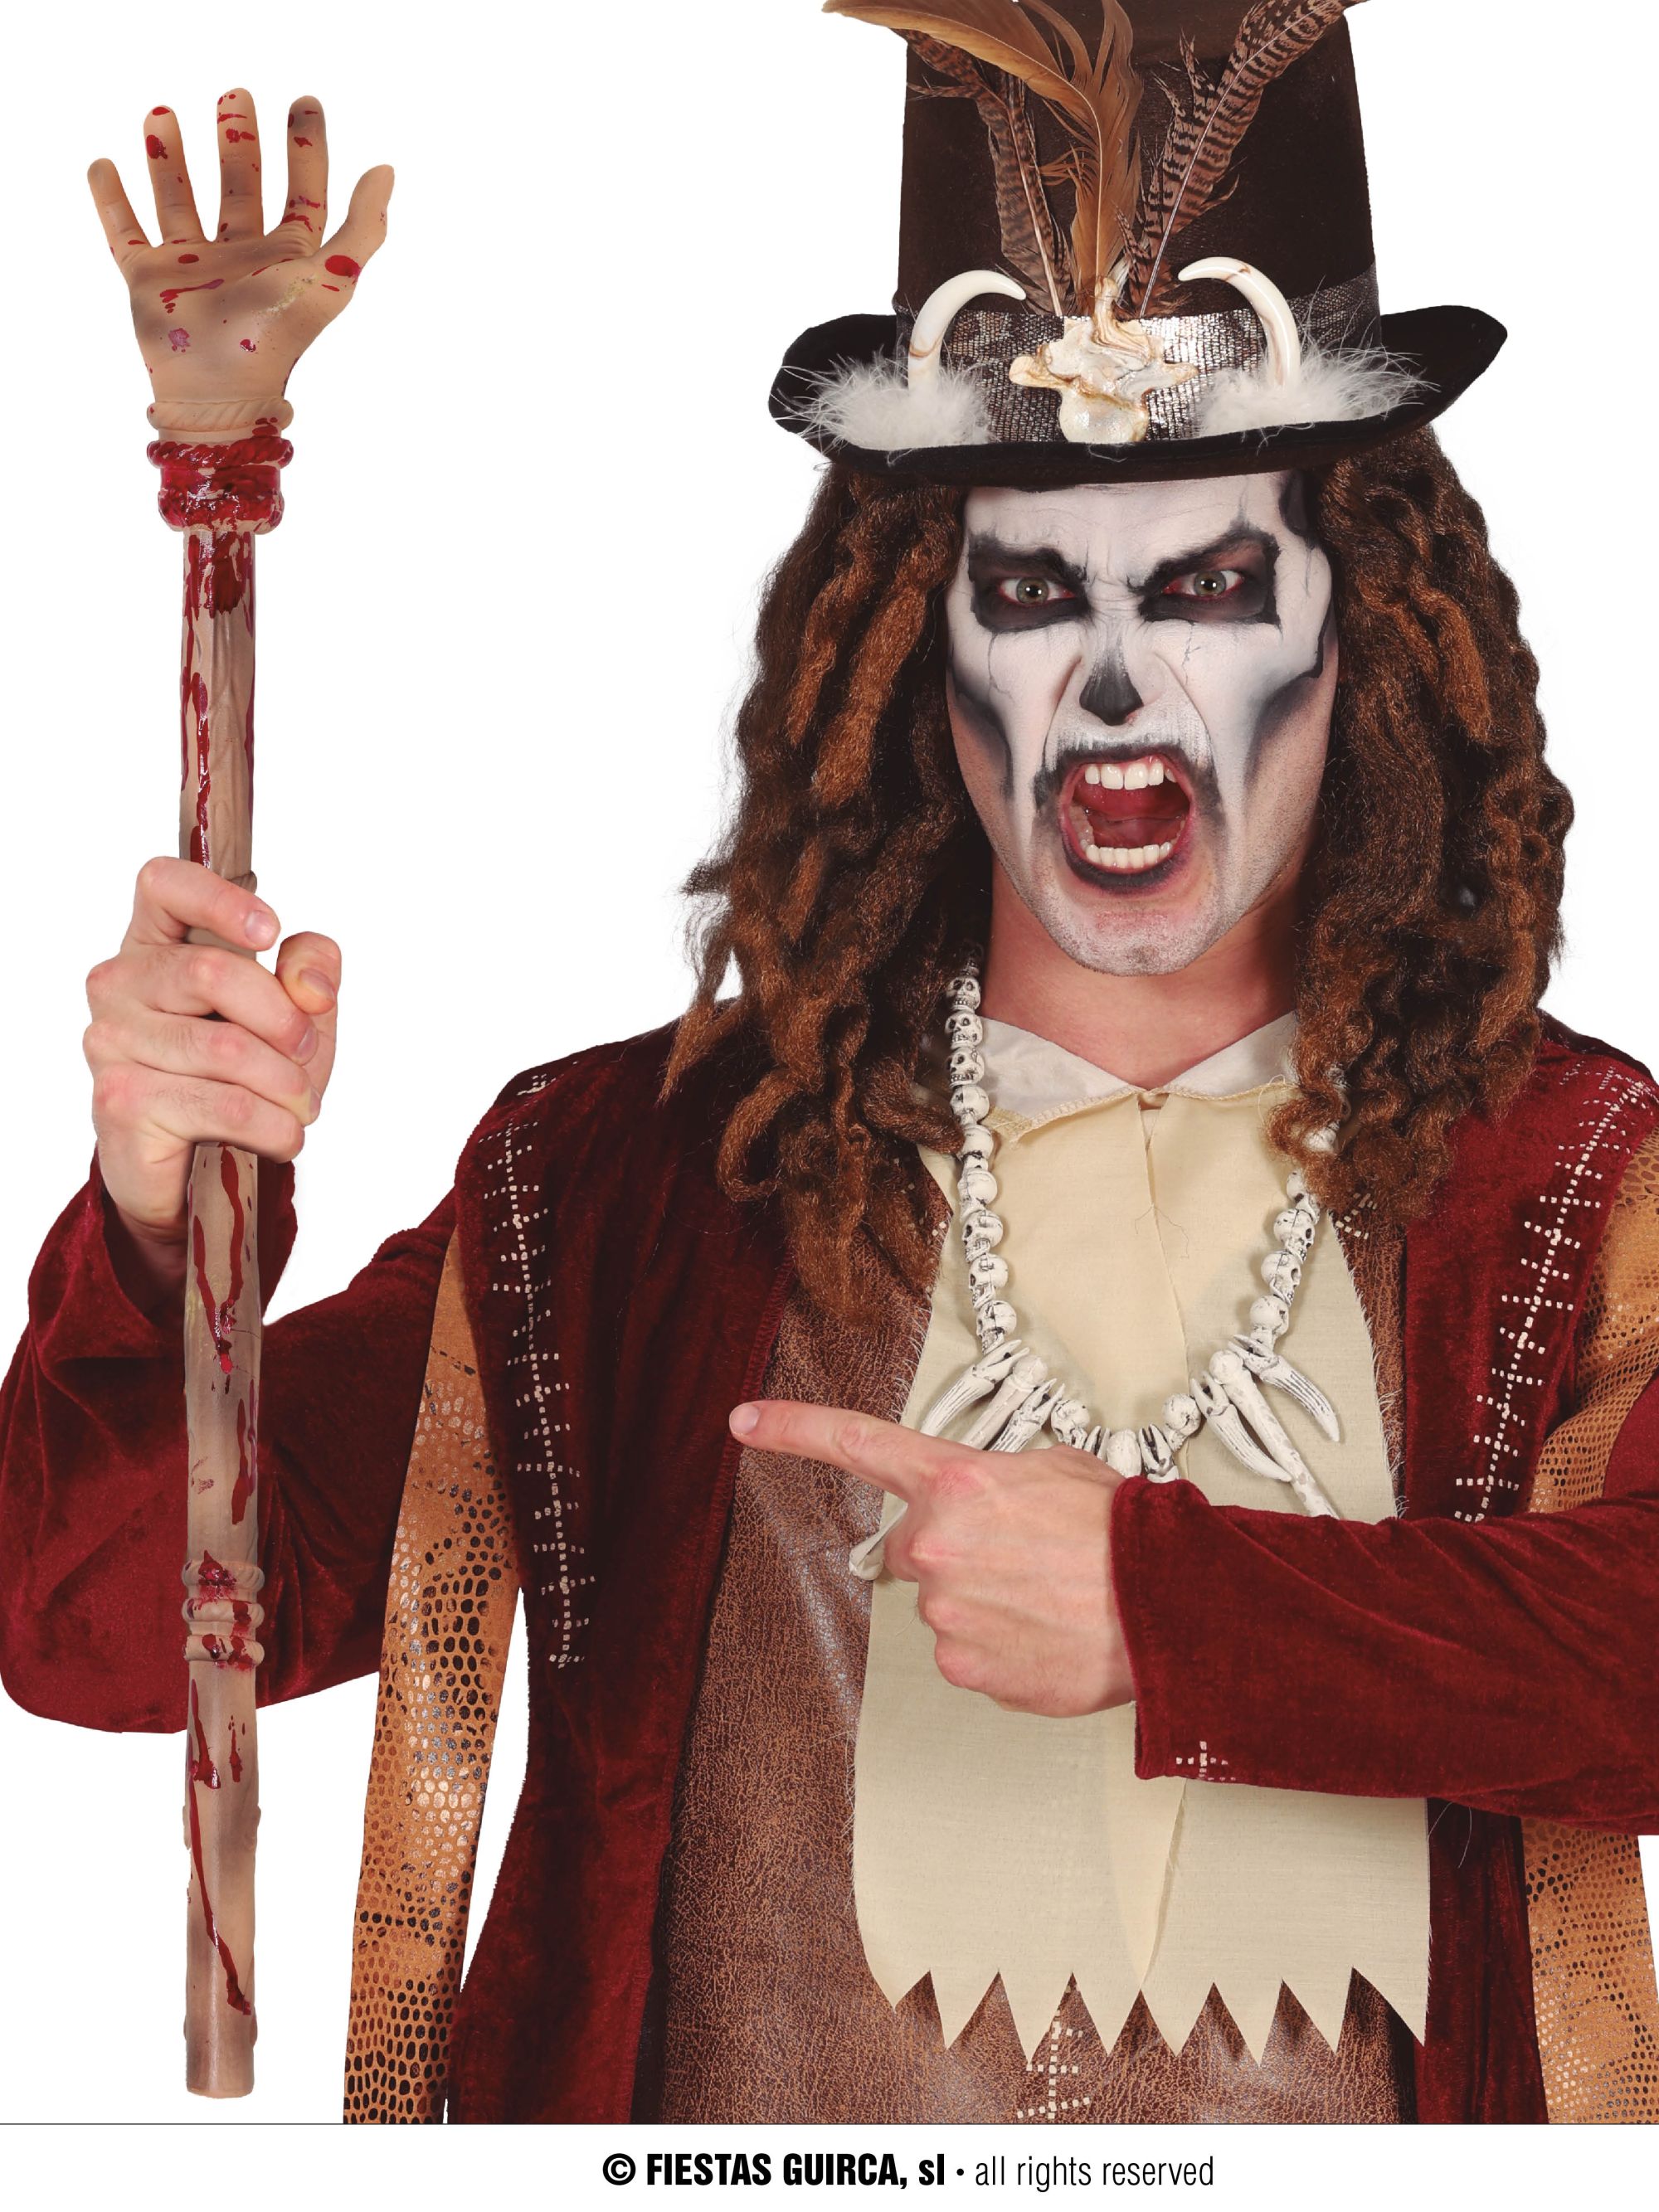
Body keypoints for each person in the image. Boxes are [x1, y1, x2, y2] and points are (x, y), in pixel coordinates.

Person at [3, 0, 1657, 2127]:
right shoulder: (629, 1184)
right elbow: (112, 1620)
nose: (1117, 679)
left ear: (1363, 635)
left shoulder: (1563, 1180)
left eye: (1214, 581)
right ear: (917, 649)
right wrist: (165, 1214)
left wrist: (1176, 1601)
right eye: (1029, 587)